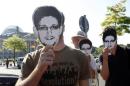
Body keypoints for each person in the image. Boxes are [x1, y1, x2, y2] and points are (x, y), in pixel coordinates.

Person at [15, 6, 90, 86]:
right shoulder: (31, 58)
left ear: (62, 28)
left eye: (54, 26)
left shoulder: (80, 57)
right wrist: (39, 69)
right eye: (44, 27)